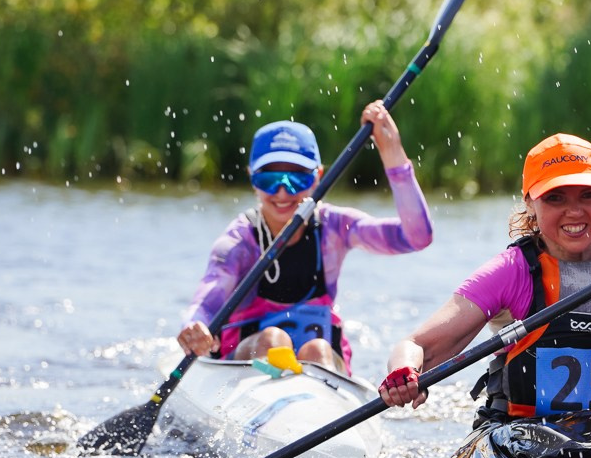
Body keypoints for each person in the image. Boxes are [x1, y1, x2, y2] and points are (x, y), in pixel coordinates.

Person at [378, 132, 591, 424]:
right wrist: (404, 372)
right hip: (521, 439)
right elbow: (417, 346)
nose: (575, 211)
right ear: (530, 204)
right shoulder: (512, 271)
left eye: (588, 195)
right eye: (555, 198)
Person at [177, 100, 433, 374]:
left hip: (318, 362)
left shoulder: (335, 227)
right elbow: (206, 302)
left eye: (297, 179)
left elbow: (416, 236)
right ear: (252, 178)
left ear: (318, 177)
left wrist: (392, 152)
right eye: (269, 179)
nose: (283, 192)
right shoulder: (239, 242)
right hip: (249, 360)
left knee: (317, 349)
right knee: (274, 341)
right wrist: (196, 328)